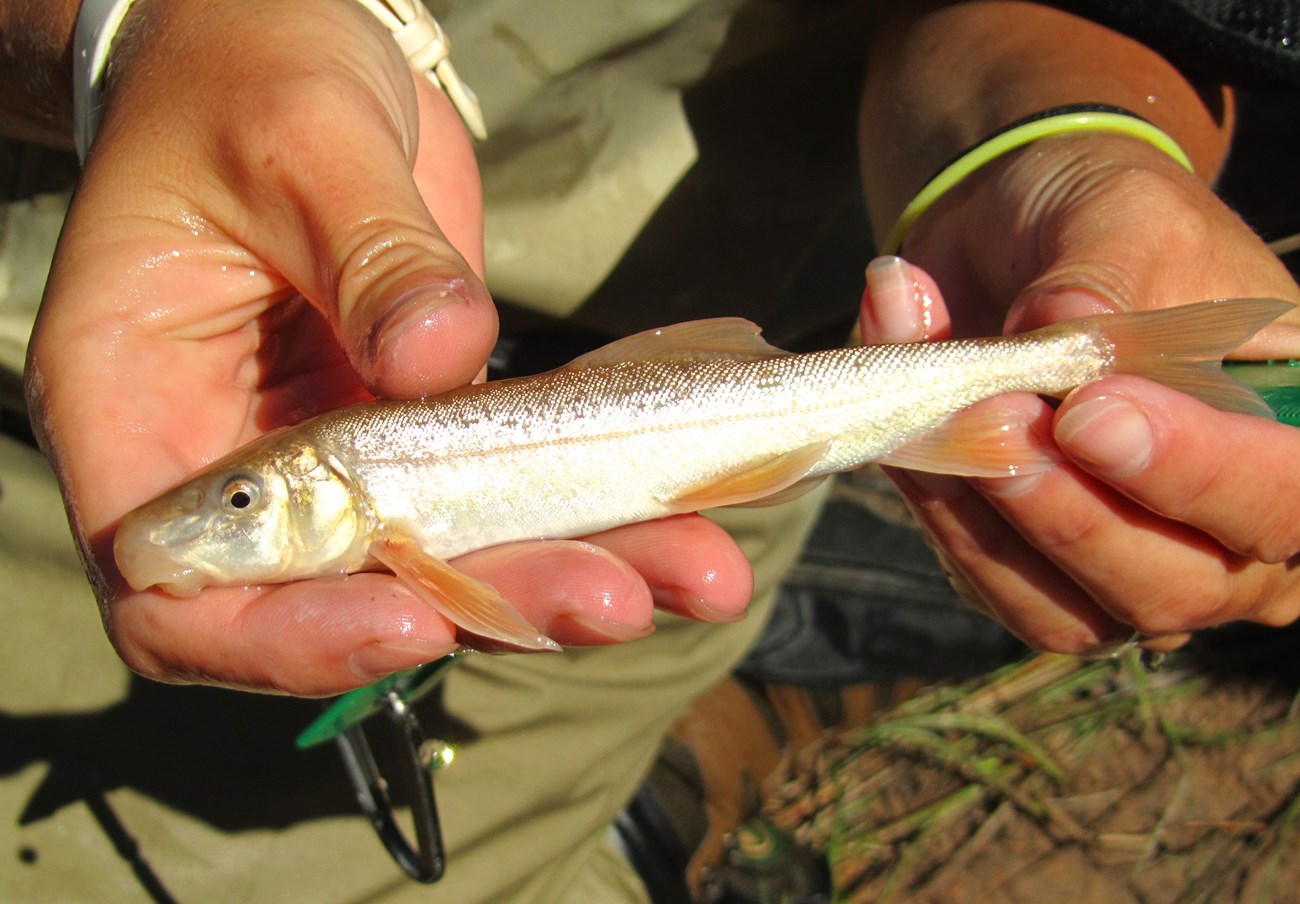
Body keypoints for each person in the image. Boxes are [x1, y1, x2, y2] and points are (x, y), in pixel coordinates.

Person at [2, 0, 1298, 901]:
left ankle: (695, 764)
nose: (223, 523)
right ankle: (716, 752)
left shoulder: (359, 495)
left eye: (241, 508)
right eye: (236, 509)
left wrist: (1073, 136)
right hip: (102, 322)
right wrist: (129, 29)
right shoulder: (281, 461)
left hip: (784, 332)